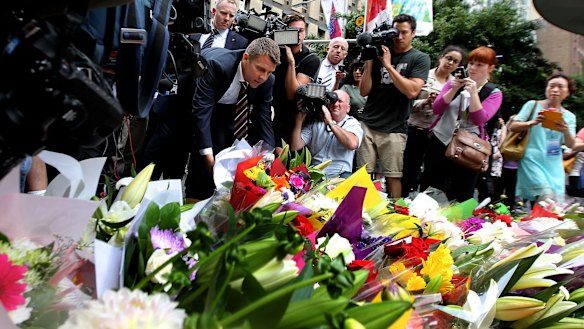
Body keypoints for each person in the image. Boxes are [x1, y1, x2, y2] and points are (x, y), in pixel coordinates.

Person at [185, 37, 280, 200]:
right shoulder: (218, 65)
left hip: (229, 113)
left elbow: (264, 117)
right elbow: (202, 110)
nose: (263, 77)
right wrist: (206, 153)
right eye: (260, 69)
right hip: (192, 101)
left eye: (269, 72)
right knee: (202, 162)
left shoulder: (267, 80)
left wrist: (268, 153)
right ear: (246, 58)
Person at [357, 13, 431, 198]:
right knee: (363, 176)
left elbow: (412, 91)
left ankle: (396, 216)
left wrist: (388, 66)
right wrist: (369, 62)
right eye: (396, 32)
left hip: (395, 127)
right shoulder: (381, 51)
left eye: (404, 32)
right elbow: (364, 91)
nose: (399, 37)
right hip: (368, 123)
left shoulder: (419, 58)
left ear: (413, 33)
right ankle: (360, 213)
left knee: (393, 176)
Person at [421, 46, 503, 202]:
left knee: (460, 193)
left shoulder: (494, 93)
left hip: (468, 147)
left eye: (479, 64)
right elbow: (437, 108)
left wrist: (473, 94)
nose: (472, 68)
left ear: (490, 68)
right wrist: (454, 88)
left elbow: (479, 118)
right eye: (471, 63)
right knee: (431, 187)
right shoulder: (454, 82)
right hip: (441, 140)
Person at [401, 46, 465, 196]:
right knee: (409, 170)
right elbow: (407, 103)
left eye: (455, 62)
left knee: (431, 173)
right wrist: (425, 102)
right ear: (441, 57)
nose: (450, 63)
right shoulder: (423, 76)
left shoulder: (456, 85)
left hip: (438, 135)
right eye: (449, 58)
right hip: (415, 128)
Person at [510, 72, 577, 203]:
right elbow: (513, 126)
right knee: (546, 196)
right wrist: (533, 122)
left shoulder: (569, 116)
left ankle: (536, 223)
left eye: (560, 87)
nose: (555, 90)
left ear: (568, 92)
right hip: (531, 159)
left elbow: (571, 144)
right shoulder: (532, 105)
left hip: (554, 164)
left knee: (554, 204)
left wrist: (565, 130)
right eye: (551, 86)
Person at [272, 14, 321, 147]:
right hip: (269, 114)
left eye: (301, 31)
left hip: (292, 120)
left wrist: (291, 63)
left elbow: (293, 93)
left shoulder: (311, 59)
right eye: (293, 31)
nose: (298, 35)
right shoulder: (273, 52)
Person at [290, 90, 363, 178]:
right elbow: (295, 146)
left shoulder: (352, 124)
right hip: (316, 173)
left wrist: (330, 122)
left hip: (340, 174)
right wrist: (299, 120)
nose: (335, 104)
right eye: (332, 101)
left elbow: (352, 144)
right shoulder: (316, 122)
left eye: (340, 101)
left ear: (348, 108)